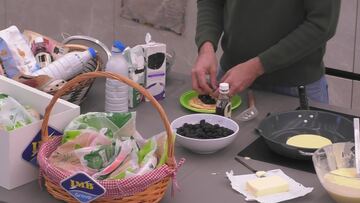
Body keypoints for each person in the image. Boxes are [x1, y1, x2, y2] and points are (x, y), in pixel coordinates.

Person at [192, 0, 341, 104]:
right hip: (230, 81)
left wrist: (257, 66)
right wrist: (206, 47)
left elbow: (321, 25)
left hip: (294, 90)